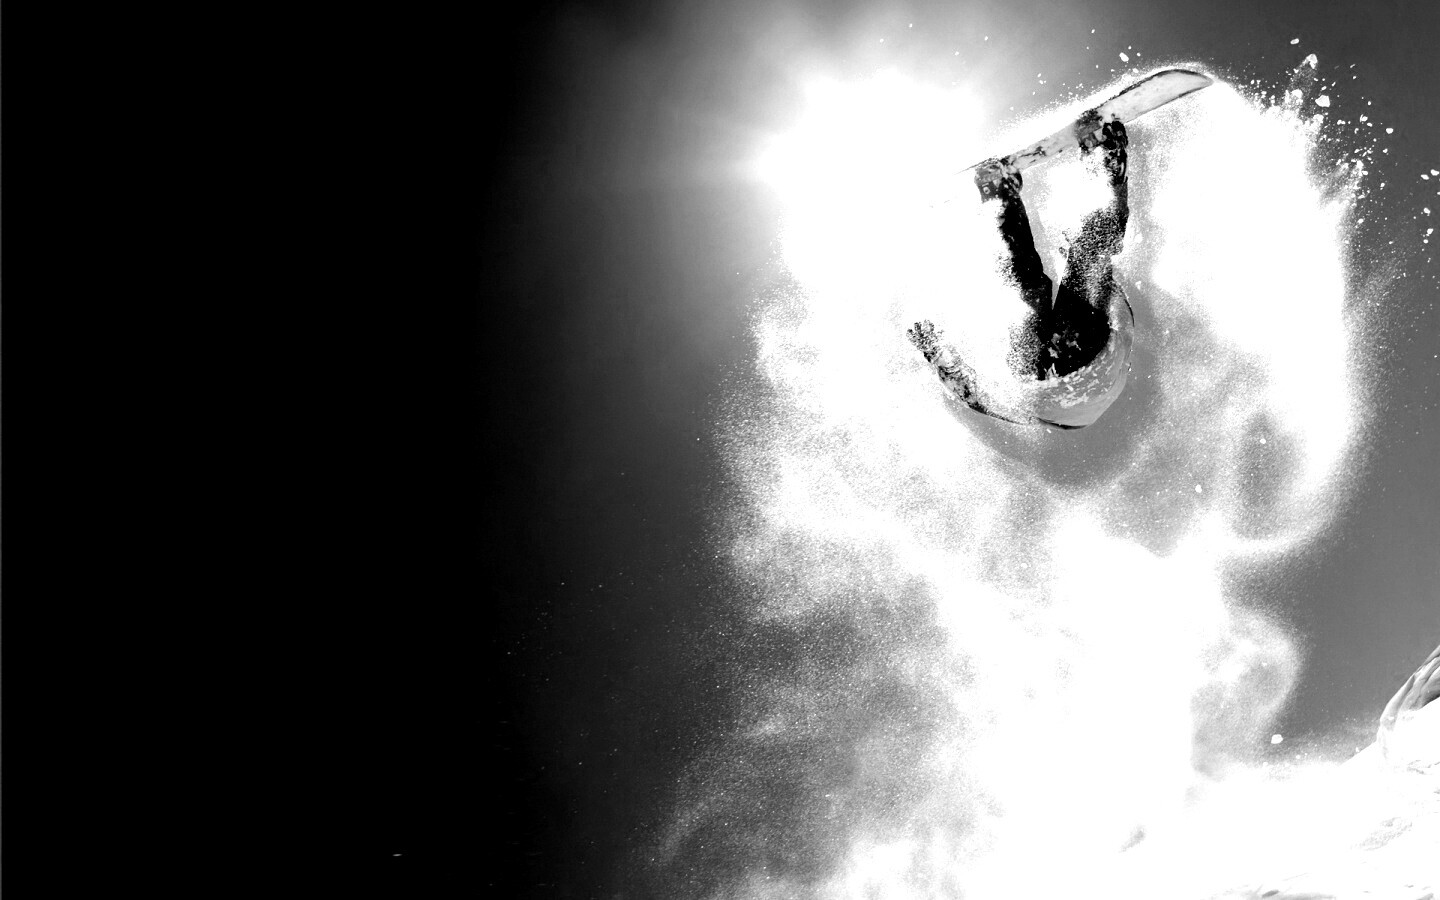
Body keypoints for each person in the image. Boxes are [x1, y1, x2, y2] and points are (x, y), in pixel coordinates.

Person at [907, 114, 1135, 429]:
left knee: (1081, 256)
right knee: (1023, 285)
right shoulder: (1033, 414)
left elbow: (1112, 296)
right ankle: (998, 191)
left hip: (1086, 361)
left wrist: (1088, 262)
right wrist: (935, 352)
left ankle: (1104, 151)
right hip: (1037, 377)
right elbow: (975, 397)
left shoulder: (1108, 375)